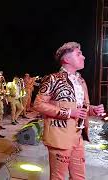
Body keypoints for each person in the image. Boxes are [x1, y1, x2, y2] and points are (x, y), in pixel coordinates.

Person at [33, 42, 105, 180]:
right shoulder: (52, 79)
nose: (83, 57)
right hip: (60, 137)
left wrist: (92, 110)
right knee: (58, 177)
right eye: (79, 54)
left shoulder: (81, 81)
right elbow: (38, 104)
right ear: (66, 59)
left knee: (79, 176)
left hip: (77, 136)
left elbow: (80, 108)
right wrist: (69, 113)